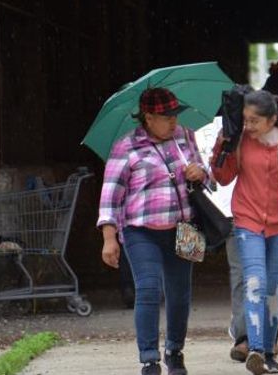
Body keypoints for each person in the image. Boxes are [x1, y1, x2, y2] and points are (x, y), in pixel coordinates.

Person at [98, 87, 208, 375]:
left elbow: (205, 177)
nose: (173, 121)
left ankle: (175, 351)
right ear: (148, 117)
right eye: (165, 116)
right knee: (147, 289)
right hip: (140, 230)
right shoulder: (126, 146)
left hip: (186, 227)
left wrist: (200, 173)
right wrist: (109, 238)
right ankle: (149, 358)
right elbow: (111, 194)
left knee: (180, 293)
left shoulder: (186, 136)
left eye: (175, 114)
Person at [211, 91, 278, 375]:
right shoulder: (239, 140)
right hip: (247, 221)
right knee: (255, 282)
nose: (248, 126)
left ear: (272, 119)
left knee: (274, 288)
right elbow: (223, 177)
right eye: (245, 120)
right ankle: (256, 349)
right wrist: (222, 146)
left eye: (254, 121)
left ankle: (269, 348)